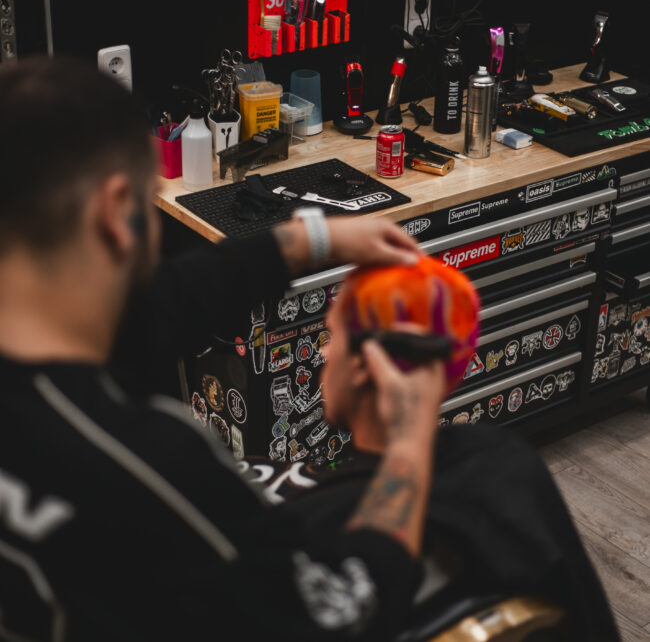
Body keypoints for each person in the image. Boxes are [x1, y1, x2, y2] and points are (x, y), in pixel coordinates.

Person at [0, 56, 455, 641]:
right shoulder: (151, 468)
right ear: (115, 213)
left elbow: (161, 307)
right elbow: (342, 614)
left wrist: (314, 237)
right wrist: (407, 446)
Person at [258, 257, 621, 641]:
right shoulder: (503, 462)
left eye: (332, 337)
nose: (325, 354)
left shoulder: (312, 522)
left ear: (367, 362)